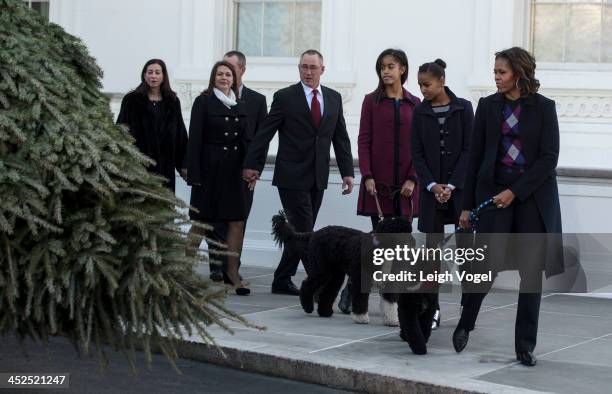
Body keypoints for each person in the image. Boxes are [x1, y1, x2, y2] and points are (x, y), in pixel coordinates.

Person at [453, 47, 564, 366]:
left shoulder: (544, 108)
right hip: (493, 196)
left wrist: (514, 192)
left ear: (518, 72)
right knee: (485, 265)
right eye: (495, 72)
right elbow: (474, 158)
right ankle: (466, 322)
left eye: (501, 72)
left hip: (532, 199)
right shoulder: (487, 106)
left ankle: (524, 346)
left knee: (531, 275)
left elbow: (549, 159)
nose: (496, 77)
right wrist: (466, 206)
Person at [242, 49, 355, 296]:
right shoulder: (285, 97)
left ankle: (282, 279)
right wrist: (252, 164)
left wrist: (347, 171)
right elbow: (265, 133)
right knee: (306, 231)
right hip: (291, 175)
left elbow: (340, 137)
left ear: (322, 70)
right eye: (303, 66)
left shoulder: (334, 98)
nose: (307, 71)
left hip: (318, 175)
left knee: (299, 232)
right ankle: (318, 282)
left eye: (313, 67)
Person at [337, 49, 420, 314]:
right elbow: (364, 140)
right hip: (379, 187)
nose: (386, 71)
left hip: (406, 189)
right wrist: (368, 175)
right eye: (382, 67)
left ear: (403, 69)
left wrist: (413, 179)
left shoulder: (416, 103)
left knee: (401, 250)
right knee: (378, 248)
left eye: (391, 66)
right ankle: (352, 290)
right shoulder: (370, 101)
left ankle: (394, 304)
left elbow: (422, 146)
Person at [411, 59, 474, 330]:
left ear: (442, 81)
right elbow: (417, 153)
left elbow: (469, 149)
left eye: (427, 84)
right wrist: (432, 185)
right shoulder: (419, 112)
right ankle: (432, 308)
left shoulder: (463, 109)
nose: (423, 89)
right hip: (431, 194)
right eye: (420, 85)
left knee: (466, 251)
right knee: (431, 254)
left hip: (460, 193)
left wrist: (452, 185)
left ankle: (468, 306)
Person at [186, 61, 251, 296]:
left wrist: (250, 168)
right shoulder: (203, 102)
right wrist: (193, 173)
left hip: (233, 172)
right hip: (208, 170)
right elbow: (194, 138)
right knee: (201, 221)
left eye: (228, 74)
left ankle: (232, 273)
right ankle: (181, 272)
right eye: (220, 74)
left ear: (234, 79)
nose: (224, 78)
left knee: (236, 221)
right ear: (213, 78)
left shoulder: (240, 105)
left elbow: (247, 141)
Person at [203, 50, 268, 283]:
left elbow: (261, 138)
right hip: (216, 169)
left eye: (230, 69)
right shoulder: (207, 98)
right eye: (221, 69)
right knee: (212, 220)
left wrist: (255, 168)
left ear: (241, 70)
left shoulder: (257, 101)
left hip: (243, 172)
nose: (225, 73)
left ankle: (233, 268)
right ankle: (216, 266)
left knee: (237, 220)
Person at [117, 59, 188, 191]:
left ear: (163, 76)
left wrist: (184, 164)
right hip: (138, 165)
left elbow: (180, 135)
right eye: (150, 72)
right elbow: (121, 129)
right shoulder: (131, 100)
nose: (153, 76)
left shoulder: (172, 101)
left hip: (165, 167)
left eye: (157, 72)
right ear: (144, 75)